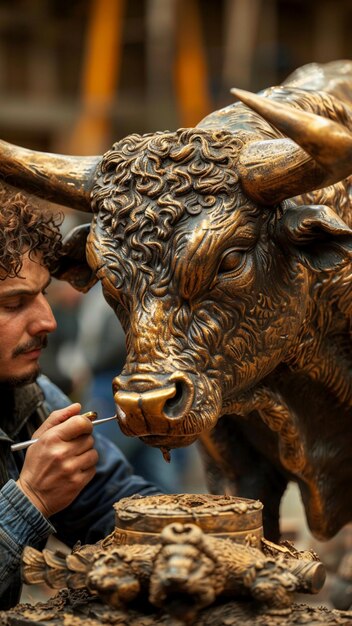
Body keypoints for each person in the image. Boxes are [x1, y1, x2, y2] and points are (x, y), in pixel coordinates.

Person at [0, 192, 160, 610]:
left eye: (43, 294)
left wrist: (200, 527)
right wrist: (32, 498)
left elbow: (115, 504)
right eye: (14, 303)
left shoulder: (30, 399)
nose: (47, 320)